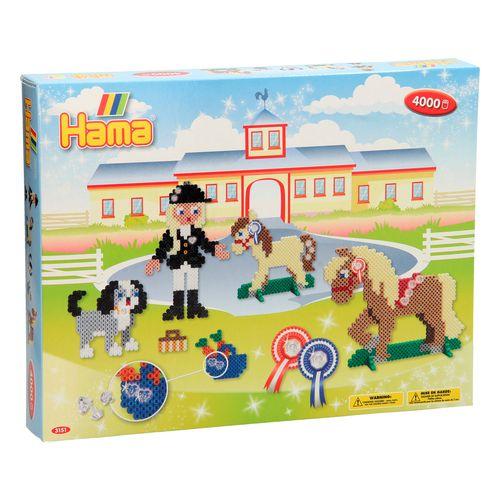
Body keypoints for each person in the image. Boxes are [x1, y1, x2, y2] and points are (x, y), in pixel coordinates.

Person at [145, 182, 230, 320]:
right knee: (178, 285)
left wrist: (215, 249)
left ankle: (193, 307)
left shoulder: (197, 232)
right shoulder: (172, 233)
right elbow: (164, 246)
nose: (188, 216)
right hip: (177, 263)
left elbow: (204, 244)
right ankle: (177, 309)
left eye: (195, 211)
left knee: (192, 284)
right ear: (173, 212)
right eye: (181, 212)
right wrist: (156, 259)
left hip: (193, 261)